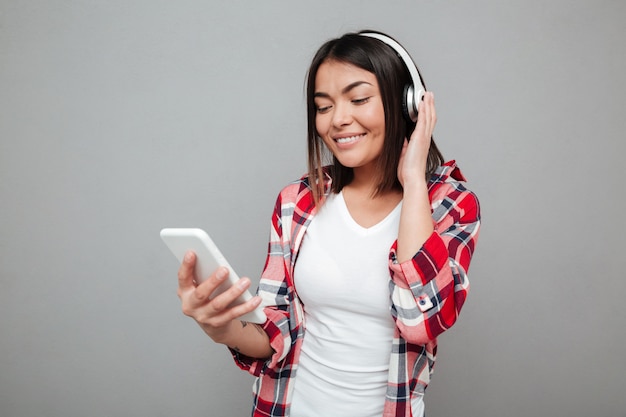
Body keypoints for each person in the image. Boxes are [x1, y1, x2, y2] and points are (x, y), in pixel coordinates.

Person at [176, 30, 481, 417]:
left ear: (410, 105)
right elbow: (275, 333)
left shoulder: (450, 205)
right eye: (323, 107)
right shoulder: (298, 201)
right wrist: (221, 328)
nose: (338, 119)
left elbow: (421, 322)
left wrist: (415, 179)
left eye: (358, 99)